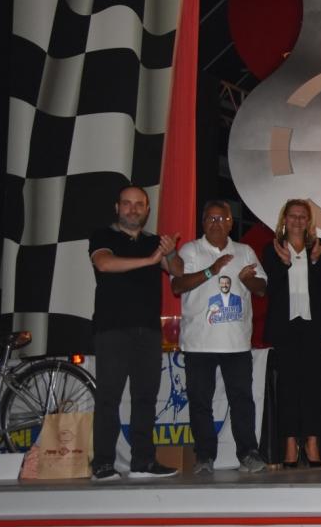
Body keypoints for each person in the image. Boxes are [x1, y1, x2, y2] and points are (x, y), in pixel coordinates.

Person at [88, 185, 180, 481]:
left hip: (148, 331)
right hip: (112, 329)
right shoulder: (103, 235)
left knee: (145, 398)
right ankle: (103, 463)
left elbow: (177, 271)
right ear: (117, 207)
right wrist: (150, 261)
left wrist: (170, 251)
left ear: (147, 210)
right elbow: (104, 263)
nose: (133, 209)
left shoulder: (153, 241)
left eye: (139, 204)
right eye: (127, 203)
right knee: (108, 398)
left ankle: (144, 461)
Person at [171, 200, 268, 475]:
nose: (215, 223)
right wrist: (211, 271)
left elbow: (261, 288)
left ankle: (248, 453)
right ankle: (204, 456)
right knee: (200, 402)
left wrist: (247, 280)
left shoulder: (244, 251)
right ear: (203, 223)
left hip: (236, 342)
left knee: (242, 401)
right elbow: (177, 286)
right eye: (210, 219)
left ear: (230, 223)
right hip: (199, 342)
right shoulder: (190, 250)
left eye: (221, 218)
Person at [260, 199, 321, 468]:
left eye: (303, 216)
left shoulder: (320, 246)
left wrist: (314, 262)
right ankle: (290, 443)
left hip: (314, 326)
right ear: (284, 219)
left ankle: (312, 441)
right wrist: (284, 264)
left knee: (312, 385)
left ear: (309, 221)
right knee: (288, 386)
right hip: (285, 326)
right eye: (293, 216)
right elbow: (269, 288)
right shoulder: (272, 247)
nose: (297, 220)